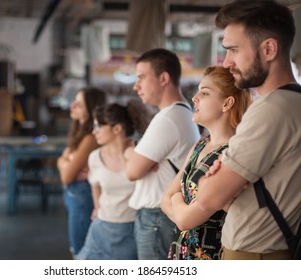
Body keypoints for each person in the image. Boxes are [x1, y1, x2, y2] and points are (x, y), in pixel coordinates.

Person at [191, 0, 301, 260]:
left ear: (268, 48)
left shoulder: (270, 110)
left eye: (234, 50)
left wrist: (214, 181)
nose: (226, 63)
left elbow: (207, 198)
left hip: (254, 255)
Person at [161, 66, 252, 260]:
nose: (194, 98)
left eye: (204, 93)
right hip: (179, 254)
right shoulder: (200, 146)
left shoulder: (231, 154)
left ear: (227, 103)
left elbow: (185, 220)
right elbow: (164, 199)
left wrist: (177, 199)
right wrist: (180, 209)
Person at [125, 48, 201, 259]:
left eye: (141, 77)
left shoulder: (167, 118)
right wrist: (135, 153)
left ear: (164, 78)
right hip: (161, 217)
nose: (136, 85)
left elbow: (132, 171)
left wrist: (131, 152)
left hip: (156, 219)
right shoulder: (181, 112)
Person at [77, 100, 151, 260]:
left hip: (131, 231)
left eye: (98, 126)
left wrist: (131, 152)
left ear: (117, 128)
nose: (94, 131)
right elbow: (95, 186)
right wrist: (97, 207)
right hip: (101, 229)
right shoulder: (94, 157)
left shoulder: (140, 153)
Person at [57, 87, 107, 257]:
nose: (72, 106)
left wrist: (65, 162)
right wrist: (65, 162)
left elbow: (66, 176)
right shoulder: (79, 135)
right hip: (76, 196)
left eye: (79, 104)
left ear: (91, 109)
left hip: (82, 197)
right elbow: (62, 160)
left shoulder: (90, 138)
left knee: (80, 253)